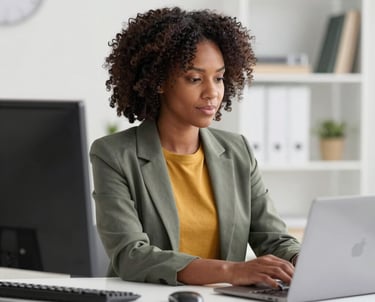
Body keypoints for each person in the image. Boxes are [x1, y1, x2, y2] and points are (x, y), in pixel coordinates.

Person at [90, 6, 300, 287]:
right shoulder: (114, 155)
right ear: (160, 81)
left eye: (219, 78)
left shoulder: (238, 150)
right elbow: (131, 255)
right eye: (195, 79)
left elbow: (273, 240)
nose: (212, 92)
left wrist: (307, 262)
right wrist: (232, 272)